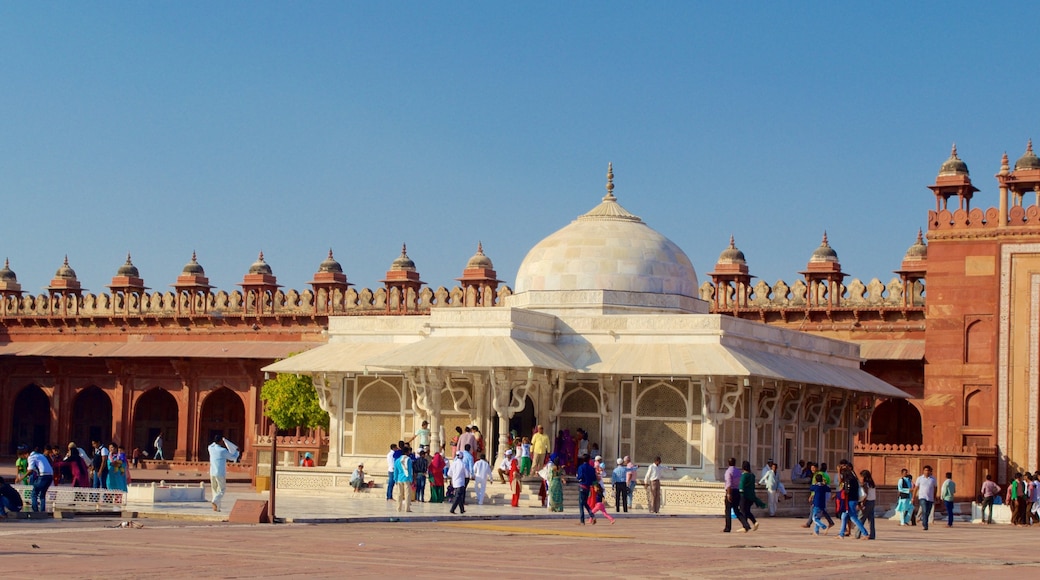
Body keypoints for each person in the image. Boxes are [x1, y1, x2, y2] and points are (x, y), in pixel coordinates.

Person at [208, 435, 240, 512]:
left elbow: (212, 444)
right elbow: (233, 457)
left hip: (212, 472)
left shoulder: (210, 448)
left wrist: (222, 440)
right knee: (222, 490)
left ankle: (217, 508)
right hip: (220, 472)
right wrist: (237, 451)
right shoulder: (222, 451)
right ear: (220, 441)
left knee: (214, 489)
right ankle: (215, 501)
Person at [837, 466, 868, 540]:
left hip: (849, 500)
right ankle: (841, 534)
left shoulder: (848, 481)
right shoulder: (854, 480)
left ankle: (865, 533)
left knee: (853, 518)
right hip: (854, 500)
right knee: (844, 517)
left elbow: (847, 491)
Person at [26, 446, 54, 512]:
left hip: (43, 476)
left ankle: (35, 511)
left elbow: (30, 470)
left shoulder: (31, 457)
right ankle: (42, 511)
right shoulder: (42, 456)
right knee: (42, 494)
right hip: (50, 475)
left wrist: (21, 478)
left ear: (27, 453)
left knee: (34, 494)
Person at [739, 461, 765, 532]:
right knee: (747, 511)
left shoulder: (744, 475)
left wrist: (739, 492)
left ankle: (745, 526)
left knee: (743, 510)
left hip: (745, 496)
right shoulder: (752, 475)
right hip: (751, 496)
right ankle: (754, 522)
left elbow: (741, 486)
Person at [723, 457, 747, 533]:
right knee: (736, 510)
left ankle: (728, 527)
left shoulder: (728, 471)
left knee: (728, 511)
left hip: (731, 491)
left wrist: (729, 494)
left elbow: (729, 483)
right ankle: (745, 524)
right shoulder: (738, 471)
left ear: (728, 463)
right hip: (737, 491)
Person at [912, 464, 937, 530]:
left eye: (928, 470)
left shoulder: (933, 479)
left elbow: (935, 488)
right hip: (922, 497)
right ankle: (925, 525)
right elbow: (916, 488)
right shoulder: (920, 478)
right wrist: (913, 497)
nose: (927, 472)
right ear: (923, 471)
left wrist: (935, 496)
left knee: (928, 512)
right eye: (925, 470)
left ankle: (924, 521)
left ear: (930, 471)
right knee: (924, 510)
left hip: (930, 498)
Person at [576, 453, 598, 524]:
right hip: (588, 487)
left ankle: (582, 520)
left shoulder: (581, 467)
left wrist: (578, 477)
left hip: (582, 486)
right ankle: (592, 515)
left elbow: (580, 476)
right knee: (585, 502)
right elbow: (594, 478)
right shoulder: (592, 468)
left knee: (581, 504)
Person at [858, 470, 877, 539]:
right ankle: (872, 535)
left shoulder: (866, 484)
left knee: (861, 518)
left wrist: (862, 503)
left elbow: (865, 494)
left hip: (867, 502)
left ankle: (857, 534)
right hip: (872, 501)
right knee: (871, 519)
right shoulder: (872, 483)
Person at [394, 448, 413, 513]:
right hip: (406, 478)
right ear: (407, 452)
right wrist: (411, 479)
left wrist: (395, 479)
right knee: (407, 494)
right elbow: (410, 470)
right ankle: (407, 508)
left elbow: (395, 471)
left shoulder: (397, 460)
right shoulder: (408, 460)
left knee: (399, 494)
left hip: (399, 479)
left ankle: (398, 508)